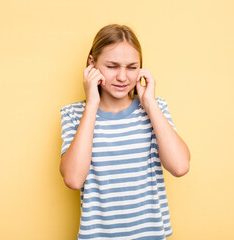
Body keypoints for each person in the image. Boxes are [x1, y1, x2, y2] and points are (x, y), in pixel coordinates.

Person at [60, 24, 190, 240]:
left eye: (132, 67)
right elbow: (73, 179)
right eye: (112, 66)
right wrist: (92, 103)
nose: (122, 77)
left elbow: (180, 166)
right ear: (92, 64)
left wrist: (149, 103)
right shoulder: (74, 114)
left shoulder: (155, 108)